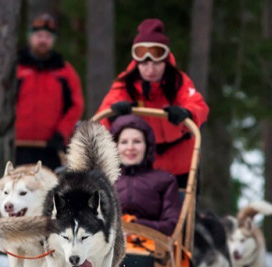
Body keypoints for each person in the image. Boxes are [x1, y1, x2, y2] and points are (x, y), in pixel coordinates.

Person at [97, 18, 208, 188]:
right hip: (139, 168)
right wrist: (114, 114)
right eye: (145, 63)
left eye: (156, 63)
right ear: (137, 63)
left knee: (181, 210)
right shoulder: (125, 83)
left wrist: (187, 112)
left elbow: (198, 105)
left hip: (180, 168)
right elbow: (104, 113)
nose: (150, 70)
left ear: (165, 60)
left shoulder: (178, 81)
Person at [15, 13, 84, 170]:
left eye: (47, 36)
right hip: (17, 147)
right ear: (30, 38)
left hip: (51, 148)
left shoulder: (65, 71)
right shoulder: (17, 69)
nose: (43, 40)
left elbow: (76, 106)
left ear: (53, 40)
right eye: (39, 35)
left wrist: (61, 133)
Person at [111, 115, 181, 236]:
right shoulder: (103, 180)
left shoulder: (164, 180)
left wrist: (135, 225)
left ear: (147, 146)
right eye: (124, 142)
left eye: (137, 141)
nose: (130, 148)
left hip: (150, 246)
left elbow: (172, 225)